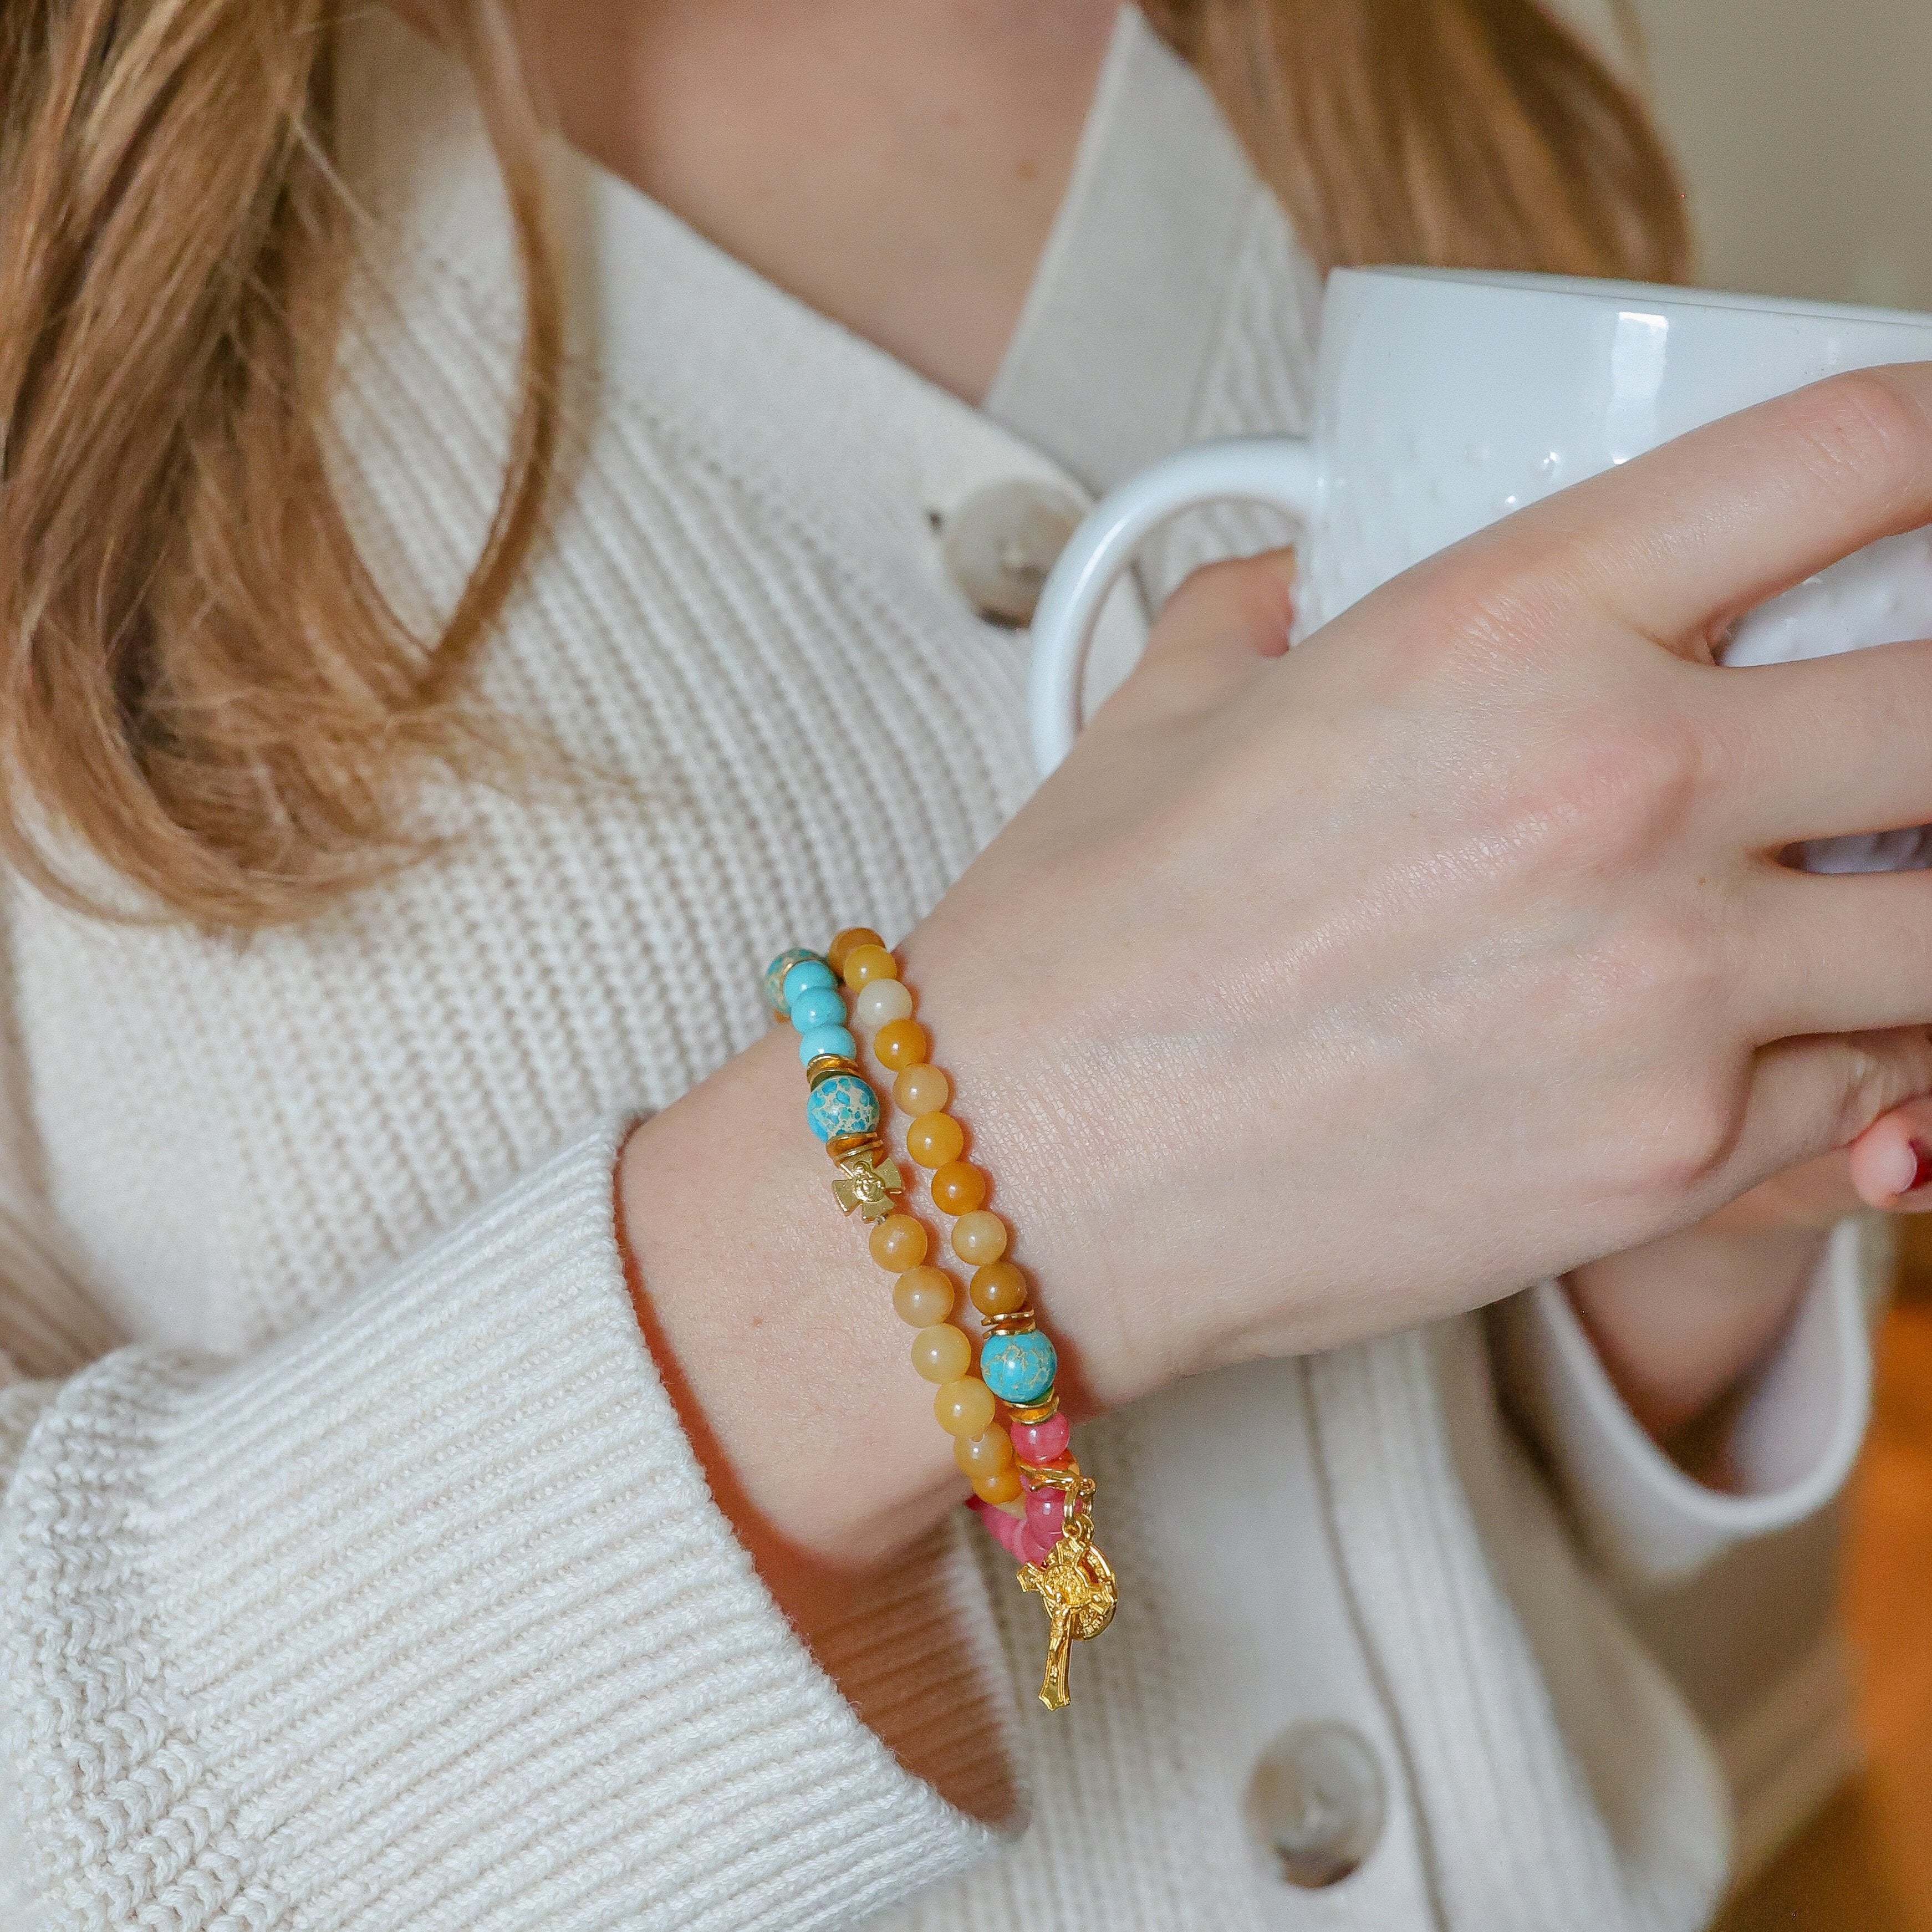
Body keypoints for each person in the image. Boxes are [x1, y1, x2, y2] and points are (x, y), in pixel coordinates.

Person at [4, 3, 1932, 1927]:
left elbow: (1467, 1475)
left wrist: (1728, 1188)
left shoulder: (1426, 57)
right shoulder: (67, 202)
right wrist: (1006, 1160)